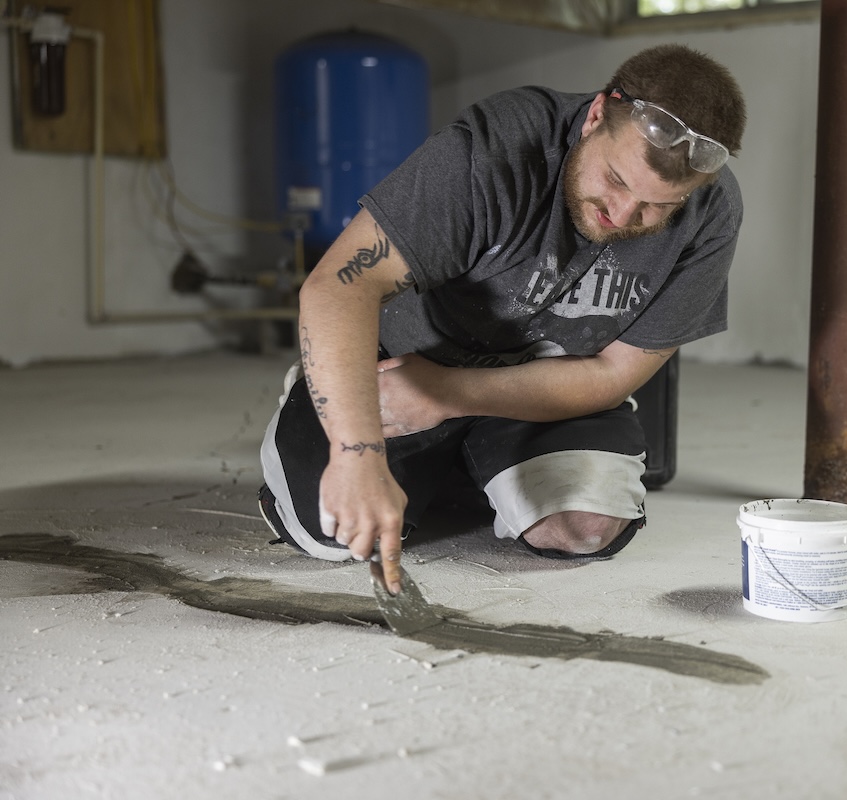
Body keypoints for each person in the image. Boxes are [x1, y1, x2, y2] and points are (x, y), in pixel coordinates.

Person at [258, 43, 747, 596]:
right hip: (402, 369)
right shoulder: (497, 151)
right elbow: (337, 286)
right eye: (615, 178)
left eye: (659, 206)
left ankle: (465, 465)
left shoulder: (713, 213)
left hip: (540, 385)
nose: (624, 214)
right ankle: (351, 408)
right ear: (593, 118)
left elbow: (615, 374)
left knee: (583, 528)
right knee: (338, 533)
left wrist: (448, 395)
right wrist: (356, 452)